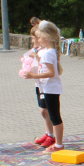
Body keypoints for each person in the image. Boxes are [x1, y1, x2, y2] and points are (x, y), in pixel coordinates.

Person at [24, 21, 66, 152]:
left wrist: (33, 75)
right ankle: (56, 141)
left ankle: (58, 144)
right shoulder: (49, 51)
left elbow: (51, 73)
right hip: (48, 88)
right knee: (52, 115)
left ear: (47, 37)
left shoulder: (48, 53)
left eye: (40, 37)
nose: (38, 40)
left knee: (55, 117)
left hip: (50, 89)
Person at [24, 17, 55, 146]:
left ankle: (51, 136)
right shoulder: (38, 51)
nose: (33, 41)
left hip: (45, 85)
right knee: (43, 111)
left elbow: (46, 68)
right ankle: (48, 133)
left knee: (46, 111)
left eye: (34, 39)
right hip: (39, 84)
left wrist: (35, 59)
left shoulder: (46, 52)